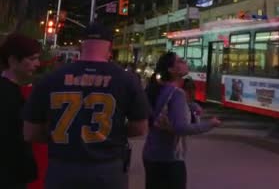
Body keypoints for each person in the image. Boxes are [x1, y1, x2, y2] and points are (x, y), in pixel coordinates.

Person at [22, 23, 150, 189]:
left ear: (81, 45)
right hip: (107, 169)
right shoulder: (127, 80)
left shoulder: (50, 79)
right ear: (110, 47)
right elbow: (140, 129)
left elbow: (30, 132)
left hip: (62, 168)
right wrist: (110, 132)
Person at [143, 52, 221, 189]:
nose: (184, 61)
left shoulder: (158, 89)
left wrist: (190, 106)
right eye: (179, 61)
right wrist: (211, 124)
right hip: (169, 160)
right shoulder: (177, 93)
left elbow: (164, 108)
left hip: (151, 155)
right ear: (171, 70)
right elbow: (182, 128)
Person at [0, 34, 41, 189]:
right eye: (31, 59)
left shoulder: (16, 91)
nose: (37, 64)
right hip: (10, 174)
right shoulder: (8, 94)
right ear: (12, 61)